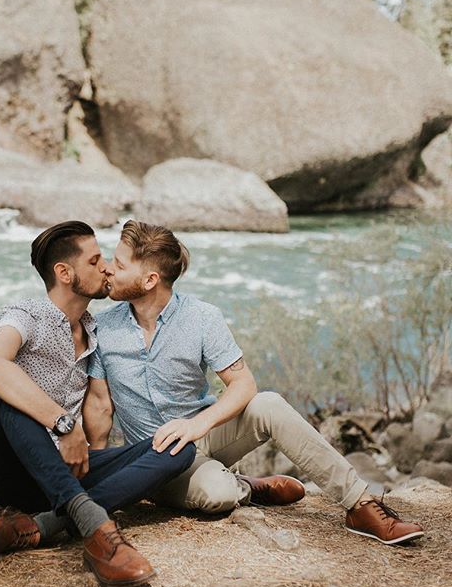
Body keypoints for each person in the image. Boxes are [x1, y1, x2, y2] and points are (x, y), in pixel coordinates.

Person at [82, 219, 424, 547]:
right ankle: (245, 487)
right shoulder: (104, 327)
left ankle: (360, 505)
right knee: (219, 494)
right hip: (155, 459)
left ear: (149, 280)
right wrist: (104, 469)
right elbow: (99, 404)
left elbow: (243, 384)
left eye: (119, 264)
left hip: (206, 433)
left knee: (269, 404)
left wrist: (197, 425)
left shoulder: (202, 318)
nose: (109, 268)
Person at [0, 220, 196, 587]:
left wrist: (94, 450)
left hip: (63, 468)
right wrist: (63, 424)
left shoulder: (92, 328)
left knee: (177, 447)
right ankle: (97, 529)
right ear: (65, 273)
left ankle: (42, 525)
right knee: (7, 386)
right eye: (94, 261)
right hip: (15, 471)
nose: (106, 267)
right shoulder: (26, 316)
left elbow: (98, 403)